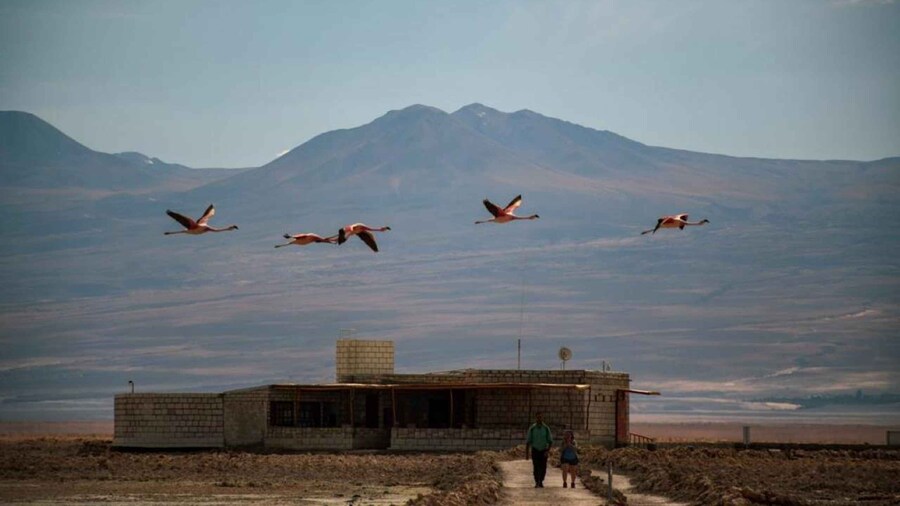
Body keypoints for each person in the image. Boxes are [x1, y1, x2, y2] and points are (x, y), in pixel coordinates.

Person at [525, 411, 553, 488]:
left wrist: (548, 451)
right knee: (536, 466)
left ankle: (541, 480)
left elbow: (550, 441)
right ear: (536, 418)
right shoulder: (532, 428)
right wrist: (527, 454)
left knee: (543, 467)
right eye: (538, 417)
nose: (539, 418)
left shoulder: (546, 428)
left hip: (543, 450)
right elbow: (528, 441)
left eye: (540, 417)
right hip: (535, 450)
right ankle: (537, 481)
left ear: (542, 418)